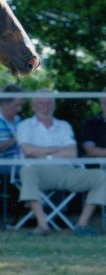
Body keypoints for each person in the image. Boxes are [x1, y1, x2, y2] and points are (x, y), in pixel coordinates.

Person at [16, 89, 106, 236]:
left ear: (54, 105)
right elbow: (28, 151)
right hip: (38, 171)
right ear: (33, 106)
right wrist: (57, 149)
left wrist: (42, 151)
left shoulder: (64, 126)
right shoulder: (24, 126)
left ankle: (81, 225)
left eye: (49, 102)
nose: (45, 106)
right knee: (27, 171)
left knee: (101, 176)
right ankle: (42, 225)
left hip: (66, 171)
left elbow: (72, 153)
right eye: (40, 103)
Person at [81, 90, 106, 158]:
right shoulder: (90, 123)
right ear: (101, 103)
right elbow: (90, 150)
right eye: (105, 102)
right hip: (97, 166)